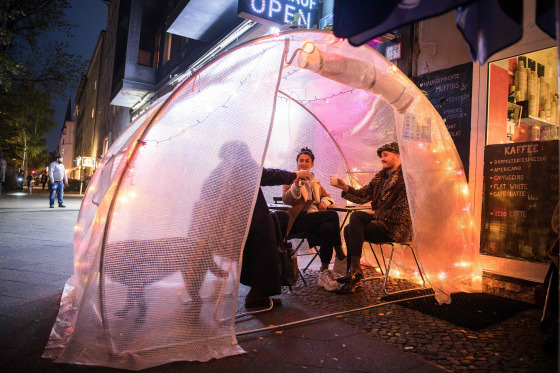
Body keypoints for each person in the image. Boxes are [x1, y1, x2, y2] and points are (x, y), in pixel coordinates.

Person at [330, 142, 412, 294]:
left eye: (385, 155)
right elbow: (363, 196)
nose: (381, 158)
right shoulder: (381, 177)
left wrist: (375, 214)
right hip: (380, 224)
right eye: (381, 156)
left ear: (398, 156)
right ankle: (353, 275)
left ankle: (353, 273)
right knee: (349, 229)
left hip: (396, 228)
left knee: (356, 218)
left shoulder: (406, 179)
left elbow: (402, 213)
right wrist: (345, 187)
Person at [281, 147, 347, 292]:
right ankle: (340, 254)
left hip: (313, 221)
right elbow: (286, 199)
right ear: (297, 163)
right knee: (333, 215)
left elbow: (327, 196)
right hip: (297, 222)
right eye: (301, 161)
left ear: (312, 164)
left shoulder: (314, 181)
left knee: (328, 228)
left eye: (307, 161)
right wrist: (297, 185)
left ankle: (324, 271)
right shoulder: (290, 178)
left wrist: (325, 201)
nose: (303, 163)